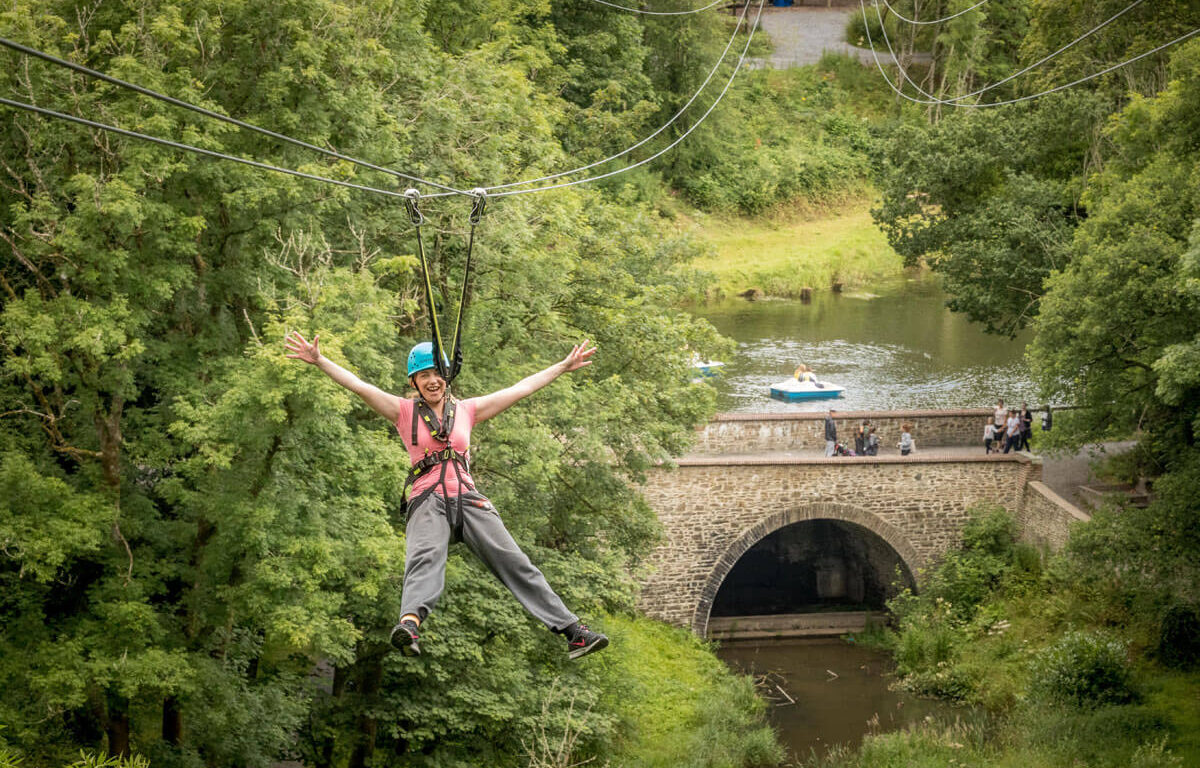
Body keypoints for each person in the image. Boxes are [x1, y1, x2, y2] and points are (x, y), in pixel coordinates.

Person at [285, 332, 609, 660]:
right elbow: (358, 385)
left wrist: (563, 367)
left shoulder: (467, 410)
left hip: (468, 498)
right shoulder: (403, 412)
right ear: (414, 382)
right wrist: (319, 360)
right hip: (428, 499)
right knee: (425, 557)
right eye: (424, 375)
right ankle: (409, 624)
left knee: (514, 561)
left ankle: (572, 633)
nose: (432, 381)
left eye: (437, 373)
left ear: (448, 376)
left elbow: (519, 388)